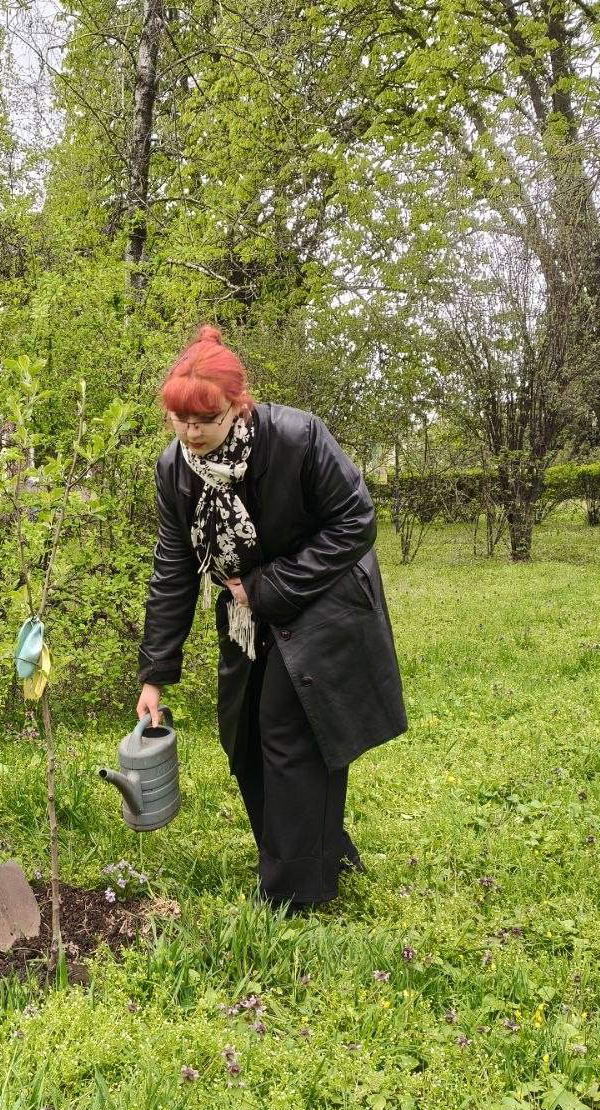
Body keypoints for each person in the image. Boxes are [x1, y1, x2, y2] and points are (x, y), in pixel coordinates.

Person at [136, 327, 406, 908]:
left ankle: (294, 890)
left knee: (290, 732)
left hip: (321, 602)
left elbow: (356, 524)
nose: (190, 433)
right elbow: (173, 568)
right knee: (245, 736)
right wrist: (155, 673)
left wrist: (269, 588)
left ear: (237, 405)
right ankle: (317, 850)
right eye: (179, 421)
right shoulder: (175, 470)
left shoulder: (297, 437)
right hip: (245, 616)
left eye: (203, 420)